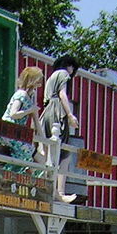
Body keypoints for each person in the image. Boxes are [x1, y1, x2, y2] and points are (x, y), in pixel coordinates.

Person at [40, 55, 79, 201]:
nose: (72, 71)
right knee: (64, 152)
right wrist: (70, 115)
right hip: (57, 111)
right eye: (72, 67)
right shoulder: (63, 74)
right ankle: (60, 193)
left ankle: (47, 187)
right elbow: (62, 94)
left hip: (47, 112)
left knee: (49, 150)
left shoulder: (50, 77)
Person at [0, 66, 44, 166]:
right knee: (29, 156)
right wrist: (29, 110)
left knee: (39, 158)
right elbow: (13, 114)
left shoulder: (30, 97)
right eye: (38, 80)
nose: (40, 84)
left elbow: (36, 121)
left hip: (18, 133)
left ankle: (25, 175)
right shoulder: (21, 94)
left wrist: (44, 140)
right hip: (9, 130)